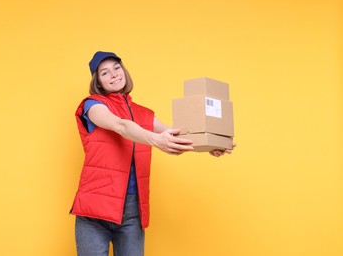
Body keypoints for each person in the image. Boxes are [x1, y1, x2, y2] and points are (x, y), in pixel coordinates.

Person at [70, 51, 235, 256]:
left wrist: (211, 144)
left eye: (117, 68)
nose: (113, 74)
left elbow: (175, 134)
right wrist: (156, 140)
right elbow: (121, 125)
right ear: (98, 82)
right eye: (105, 73)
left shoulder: (144, 114)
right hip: (95, 211)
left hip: (132, 211)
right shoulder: (93, 106)